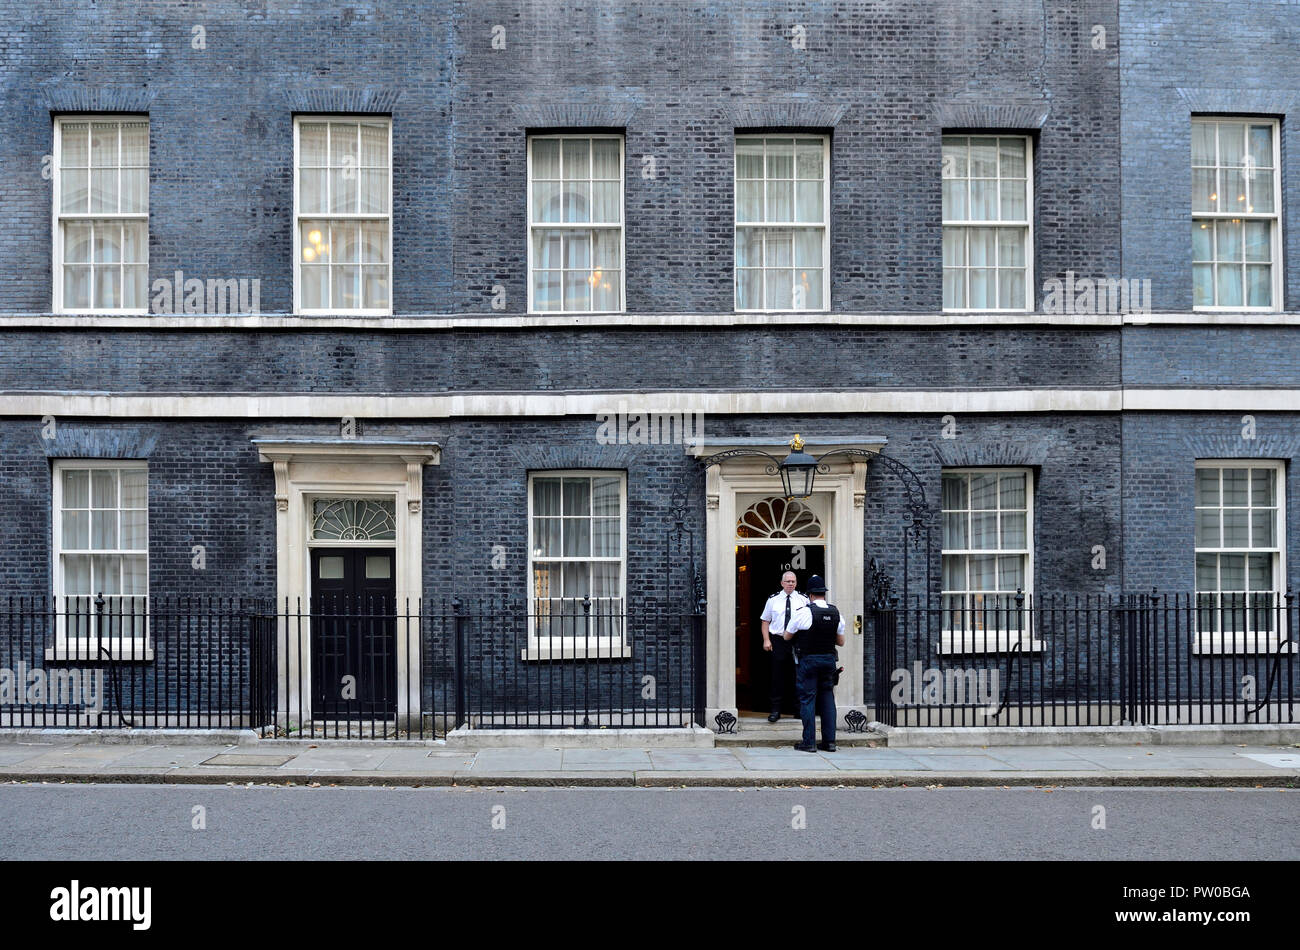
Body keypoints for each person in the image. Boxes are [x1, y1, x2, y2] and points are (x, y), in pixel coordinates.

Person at [784, 574, 844, 752]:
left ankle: (809, 742)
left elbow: (787, 636)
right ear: (823, 593)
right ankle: (830, 742)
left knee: (808, 699)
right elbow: (841, 642)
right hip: (829, 661)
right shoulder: (836, 613)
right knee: (827, 699)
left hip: (808, 660)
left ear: (810, 595)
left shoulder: (803, 612)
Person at [758, 570, 807, 722]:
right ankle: (775, 710)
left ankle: (798, 710)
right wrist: (766, 640)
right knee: (777, 677)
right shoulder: (773, 600)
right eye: (788, 581)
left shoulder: (803, 600)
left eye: (793, 581)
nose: (791, 584)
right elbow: (765, 621)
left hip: (797, 640)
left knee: (798, 676)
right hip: (778, 640)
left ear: (796, 583)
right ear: (782, 583)